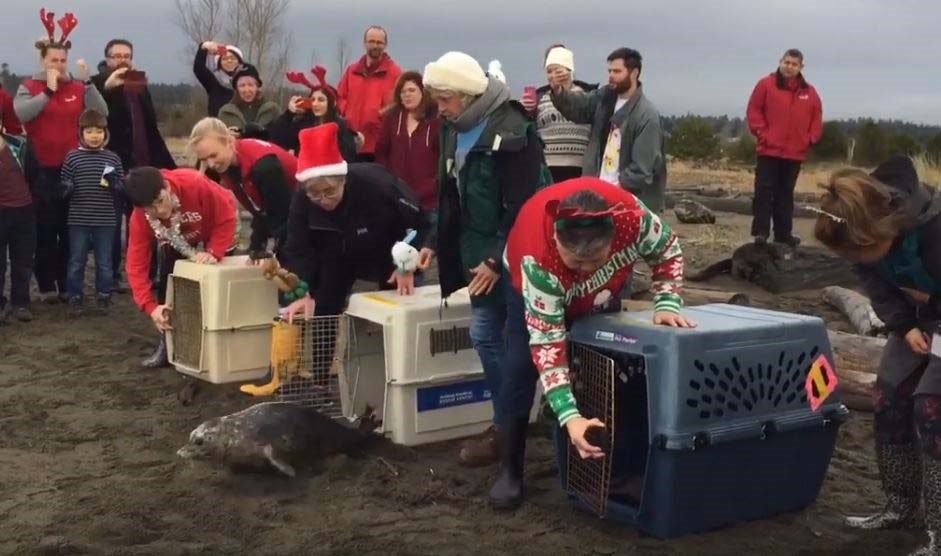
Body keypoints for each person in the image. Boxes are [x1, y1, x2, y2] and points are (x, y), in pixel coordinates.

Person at [497, 177, 695, 510]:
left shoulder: (634, 219)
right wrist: (570, 415)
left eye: (596, 262)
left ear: (615, 239)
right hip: (534, 286)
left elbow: (668, 251)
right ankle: (511, 470)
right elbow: (547, 344)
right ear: (558, 239)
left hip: (606, 292)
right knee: (520, 366)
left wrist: (666, 303)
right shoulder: (538, 260)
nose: (586, 272)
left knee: (606, 361)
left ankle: (615, 463)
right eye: (577, 263)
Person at [422, 51, 552, 467]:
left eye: (445, 98)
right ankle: (508, 421)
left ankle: (512, 422)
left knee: (508, 338)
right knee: (484, 335)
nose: (439, 108)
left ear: (467, 93)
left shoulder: (515, 131)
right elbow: (450, 192)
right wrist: (432, 240)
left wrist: (498, 259)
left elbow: (526, 204)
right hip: (476, 248)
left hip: (519, 248)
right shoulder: (453, 128)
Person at [813, 156, 941, 556]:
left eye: (857, 255)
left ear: (877, 236)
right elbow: (877, 285)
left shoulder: (935, 231)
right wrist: (904, 324)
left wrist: (934, 307)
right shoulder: (866, 242)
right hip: (919, 318)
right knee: (889, 394)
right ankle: (902, 507)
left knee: (932, 408)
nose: (855, 264)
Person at [280, 122, 428, 321]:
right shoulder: (302, 198)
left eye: (329, 192)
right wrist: (300, 291)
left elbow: (420, 223)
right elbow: (297, 248)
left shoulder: (377, 186)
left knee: (400, 307)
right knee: (322, 306)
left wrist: (406, 265)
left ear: (343, 181)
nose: (323, 200)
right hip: (336, 252)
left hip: (387, 248)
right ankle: (324, 351)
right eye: (315, 195)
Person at [14, 10, 108, 303]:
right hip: (41, 168)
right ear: (43, 61)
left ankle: (68, 283)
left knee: (71, 229)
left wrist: (88, 83)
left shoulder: (78, 88)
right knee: (45, 229)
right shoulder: (29, 87)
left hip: (73, 168)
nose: (58, 64)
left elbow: (101, 113)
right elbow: (22, 114)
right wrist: (48, 93)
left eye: (62, 60)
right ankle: (46, 285)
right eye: (53, 60)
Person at [124, 166, 238, 367]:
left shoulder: (195, 183)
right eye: (151, 208)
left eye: (160, 200)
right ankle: (169, 344)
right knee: (169, 282)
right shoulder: (141, 219)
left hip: (219, 226)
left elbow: (226, 216)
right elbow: (136, 264)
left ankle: (224, 343)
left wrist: (214, 252)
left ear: (166, 187)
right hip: (176, 238)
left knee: (222, 287)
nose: (160, 210)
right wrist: (151, 308)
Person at [91, 38, 176, 294]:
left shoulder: (138, 84)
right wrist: (110, 89)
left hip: (143, 164)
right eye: (116, 55)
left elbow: (150, 127)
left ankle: (146, 273)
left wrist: (167, 164)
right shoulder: (97, 84)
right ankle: (113, 275)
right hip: (111, 163)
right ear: (107, 60)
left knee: (145, 219)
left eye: (126, 55)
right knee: (112, 217)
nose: (122, 59)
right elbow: (101, 117)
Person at [549, 47, 666, 213]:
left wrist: (613, 191)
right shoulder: (605, 97)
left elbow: (642, 169)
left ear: (633, 73)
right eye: (609, 71)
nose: (611, 75)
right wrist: (559, 91)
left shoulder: (647, 115)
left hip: (627, 201)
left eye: (617, 71)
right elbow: (579, 108)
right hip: (596, 193)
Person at [747, 48, 823, 247]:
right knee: (764, 192)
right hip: (769, 150)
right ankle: (761, 233)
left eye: (794, 64)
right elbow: (754, 111)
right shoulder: (765, 85)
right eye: (787, 62)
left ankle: (783, 234)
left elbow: (817, 117)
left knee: (785, 194)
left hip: (794, 153)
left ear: (801, 67)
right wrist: (763, 133)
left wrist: (811, 138)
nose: (789, 67)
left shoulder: (810, 92)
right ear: (780, 62)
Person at [189, 117, 296, 255]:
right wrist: (256, 247)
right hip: (292, 215)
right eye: (204, 159)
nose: (211, 164)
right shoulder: (229, 164)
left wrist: (268, 248)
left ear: (228, 142)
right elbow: (260, 209)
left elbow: (282, 213)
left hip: (312, 214)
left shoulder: (263, 165)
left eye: (213, 155)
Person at [61, 109, 124, 316]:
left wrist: (116, 183)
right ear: (81, 134)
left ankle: (104, 295)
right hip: (78, 218)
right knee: (76, 260)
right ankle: (75, 296)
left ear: (105, 134)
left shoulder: (112, 158)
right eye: (89, 131)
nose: (94, 136)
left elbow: (122, 187)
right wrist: (66, 187)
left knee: (104, 262)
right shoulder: (72, 157)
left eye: (98, 131)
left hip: (105, 219)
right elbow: (63, 186)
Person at [521, 45, 597, 183]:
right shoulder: (540, 97)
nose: (553, 75)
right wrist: (524, 111)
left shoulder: (587, 96)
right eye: (549, 71)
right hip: (549, 166)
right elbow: (529, 131)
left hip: (581, 166)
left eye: (557, 70)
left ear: (569, 69)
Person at [374, 71, 441, 213]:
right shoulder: (392, 120)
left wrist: (432, 185)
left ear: (423, 92)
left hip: (429, 199)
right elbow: (381, 152)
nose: (407, 94)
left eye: (412, 90)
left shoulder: (436, 121)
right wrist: (389, 182)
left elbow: (443, 157)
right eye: (403, 92)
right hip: (397, 196)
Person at [337, 25, 402, 162]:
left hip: (378, 145)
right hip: (350, 142)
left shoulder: (395, 73)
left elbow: (399, 103)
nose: (375, 46)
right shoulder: (352, 71)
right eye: (372, 41)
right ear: (365, 43)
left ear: (385, 45)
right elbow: (340, 96)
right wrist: (347, 111)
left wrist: (379, 115)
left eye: (379, 42)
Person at [272, 65, 358, 160]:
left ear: (332, 103)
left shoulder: (341, 126)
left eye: (321, 100)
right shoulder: (304, 124)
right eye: (313, 100)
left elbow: (348, 156)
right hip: (304, 171)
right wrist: (289, 113)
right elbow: (277, 138)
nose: (315, 104)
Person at [0, 132, 37, 324]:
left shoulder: (19, 145)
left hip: (23, 210)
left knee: (23, 260)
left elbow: (33, 173)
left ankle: (21, 302)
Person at [218, 64, 281, 140]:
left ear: (257, 87)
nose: (247, 90)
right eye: (242, 85)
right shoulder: (226, 113)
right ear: (236, 88)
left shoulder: (272, 110)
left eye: (250, 85)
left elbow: (282, 136)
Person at [193, 41, 245, 117]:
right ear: (219, 64)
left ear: (239, 62)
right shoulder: (214, 84)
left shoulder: (247, 82)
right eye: (225, 59)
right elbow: (199, 68)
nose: (229, 61)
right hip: (216, 127)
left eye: (233, 58)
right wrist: (204, 47)